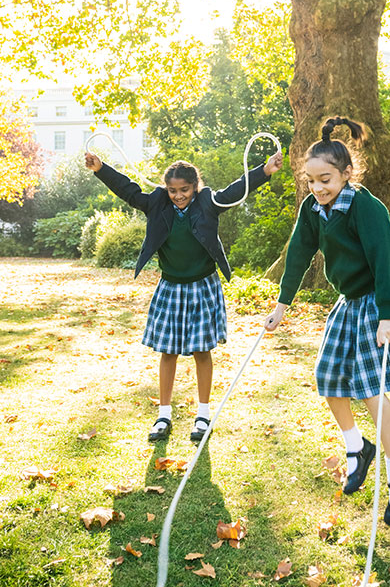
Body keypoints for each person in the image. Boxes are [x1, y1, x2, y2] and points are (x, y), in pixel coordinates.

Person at [264, 117, 390, 526]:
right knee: (329, 377)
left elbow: (386, 263)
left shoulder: (367, 208)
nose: (318, 188)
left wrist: (387, 316)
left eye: (326, 179)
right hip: (348, 302)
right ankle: (357, 448)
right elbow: (298, 253)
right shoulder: (313, 209)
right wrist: (282, 304)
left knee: (370, 389)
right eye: (311, 180)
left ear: (347, 173)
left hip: (375, 303)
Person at [85, 149, 283, 443]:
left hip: (202, 286)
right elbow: (128, 191)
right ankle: (163, 415)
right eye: (173, 190)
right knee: (168, 352)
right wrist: (101, 169)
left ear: (195, 187)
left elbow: (235, 190)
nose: (178, 195)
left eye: (184, 190)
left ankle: (202, 415)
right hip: (171, 287)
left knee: (203, 352)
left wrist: (263, 171)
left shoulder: (208, 202)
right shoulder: (156, 202)